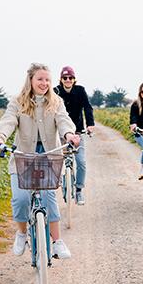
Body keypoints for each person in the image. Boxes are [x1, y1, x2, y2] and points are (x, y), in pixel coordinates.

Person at [0, 63, 81, 258]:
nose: (44, 83)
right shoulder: (18, 102)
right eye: (40, 79)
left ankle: (57, 241)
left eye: (47, 79)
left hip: (50, 155)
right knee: (21, 198)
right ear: (30, 80)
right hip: (23, 156)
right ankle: (22, 233)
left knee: (49, 199)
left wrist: (70, 135)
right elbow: (8, 121)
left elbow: (63, 121)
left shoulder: (56, 102)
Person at [53, 66, 95, 205]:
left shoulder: (80, 90)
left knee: (81, 162)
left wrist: (90, 124)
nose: (68, 80)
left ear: (74, 79)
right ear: (61, 79)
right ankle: (56, 184)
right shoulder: (55, 92)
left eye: (70, 78)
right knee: (55, 160)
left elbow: (87, 107)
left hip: (77, 132)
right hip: (60, 133)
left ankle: (78, 190)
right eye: (65, 78)